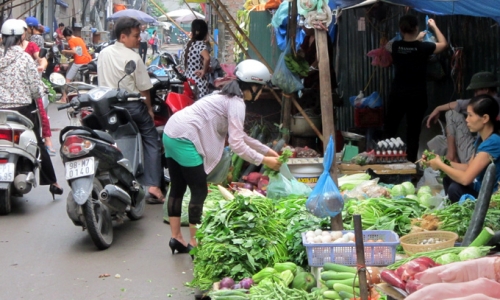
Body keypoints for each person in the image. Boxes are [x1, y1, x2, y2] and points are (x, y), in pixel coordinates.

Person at [163, 59, 282, 255]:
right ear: (253, 86)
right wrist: (264, 160)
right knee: (199, 190)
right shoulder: (236, 103)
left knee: (177, 187)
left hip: (171, 132)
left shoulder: (223, 95)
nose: (260, 93)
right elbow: (237, 145)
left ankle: (176, 238)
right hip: (185, 138)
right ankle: (195, 243)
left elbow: (240, 136)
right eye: (260, 88)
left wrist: (267, 151)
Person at [97, 17, 164, 203]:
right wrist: (149, 109)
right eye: (136, 35)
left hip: (107, 108)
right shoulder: (133, 57)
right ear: (123, 36)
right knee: (152, 139)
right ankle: (153, 186)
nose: (140, 39)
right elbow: (144, 89)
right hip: (132, 107)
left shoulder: (103, 53)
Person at [0, 19, 63, 199]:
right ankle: (53, 182)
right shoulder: (25, 58)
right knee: (38, 143)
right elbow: (35, 89)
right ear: (22, 37)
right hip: (22, 112)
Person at [385, 15, 447, 162]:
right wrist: (434, 26)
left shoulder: (395, 46)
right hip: (417, 96)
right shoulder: (424, 48)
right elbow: (444, 44)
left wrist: (415, 38)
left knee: (390, 129)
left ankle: (384, 160)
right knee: (413, 131)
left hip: (398, 94)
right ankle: (411, 164)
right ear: (416, 28)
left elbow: (390, 46)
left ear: (401, 29)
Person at [423, 94, 500, 203]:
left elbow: (465, 179)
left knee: (455, 189)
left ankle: (464, 217)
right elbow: (468, 166)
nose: (466, 120)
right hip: (480, 189)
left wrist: (440, 165)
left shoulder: (493, 142)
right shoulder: (481, 139)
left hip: (490, 199)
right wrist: (441, 160)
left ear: (485, 118)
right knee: (448, 177)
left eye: (470, 115)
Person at [426, 72, 500, 163]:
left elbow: (466, 177)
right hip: (476, 145)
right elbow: (460, 104)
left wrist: (441, 165)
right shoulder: (486, 101)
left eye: (476, 91)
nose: (475, 95)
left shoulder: (488, 103)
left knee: (452, 114)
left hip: (479, 152)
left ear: (486, 89)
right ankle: (450, 160)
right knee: (438, 141)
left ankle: (451, 156)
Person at [20, 21, 57, 155]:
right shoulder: (4, 50)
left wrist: (42, 66)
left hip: (29, 86)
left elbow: (42, 58)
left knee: (40, 110)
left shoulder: (31, 46)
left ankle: (47, 140)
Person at [58, 28, 92, 103]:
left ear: (66, 36)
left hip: (80, 61)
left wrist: (64, 51)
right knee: (71, 65)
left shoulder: (71, 41)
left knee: (67, 79)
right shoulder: (79, 38)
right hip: (88, 59)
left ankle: (64, 98)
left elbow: (74, 51)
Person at [181, 19, 210, 98]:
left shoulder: (188, 44)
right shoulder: (200, 45)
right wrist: (204, 71)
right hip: (198, 83)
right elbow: (207, 58)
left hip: (188, 81)